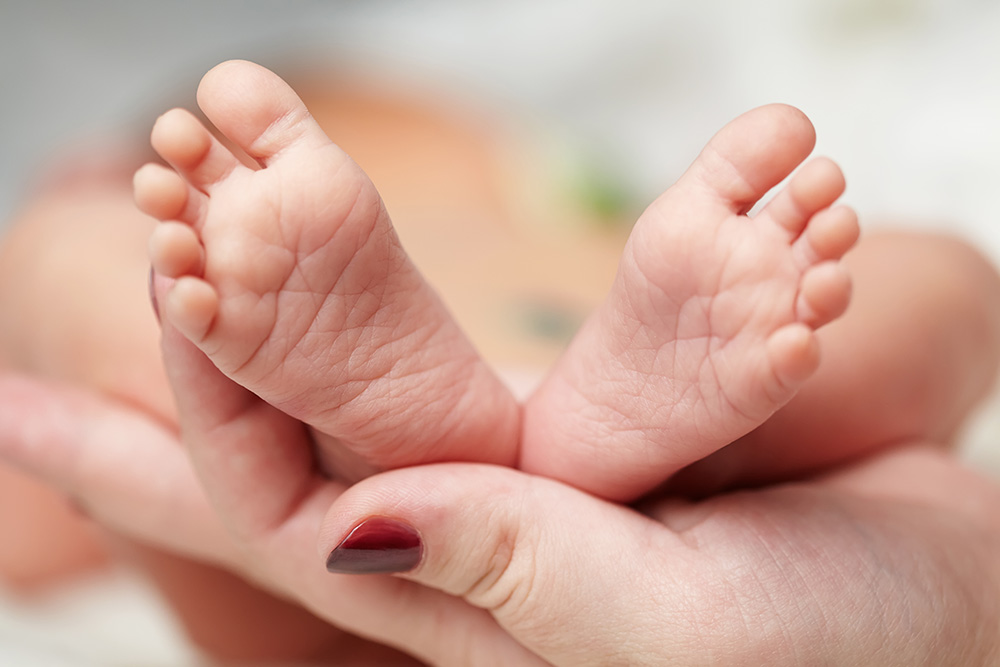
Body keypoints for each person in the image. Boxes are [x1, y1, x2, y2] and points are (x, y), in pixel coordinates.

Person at [1, 59, 999, 665]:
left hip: (334, 568)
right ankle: (692, 453)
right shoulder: (607, 239)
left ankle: (371, 444)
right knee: (946, 278)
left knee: (60, 257)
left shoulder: (590, 223)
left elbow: (33, 535)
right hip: (582, 366)